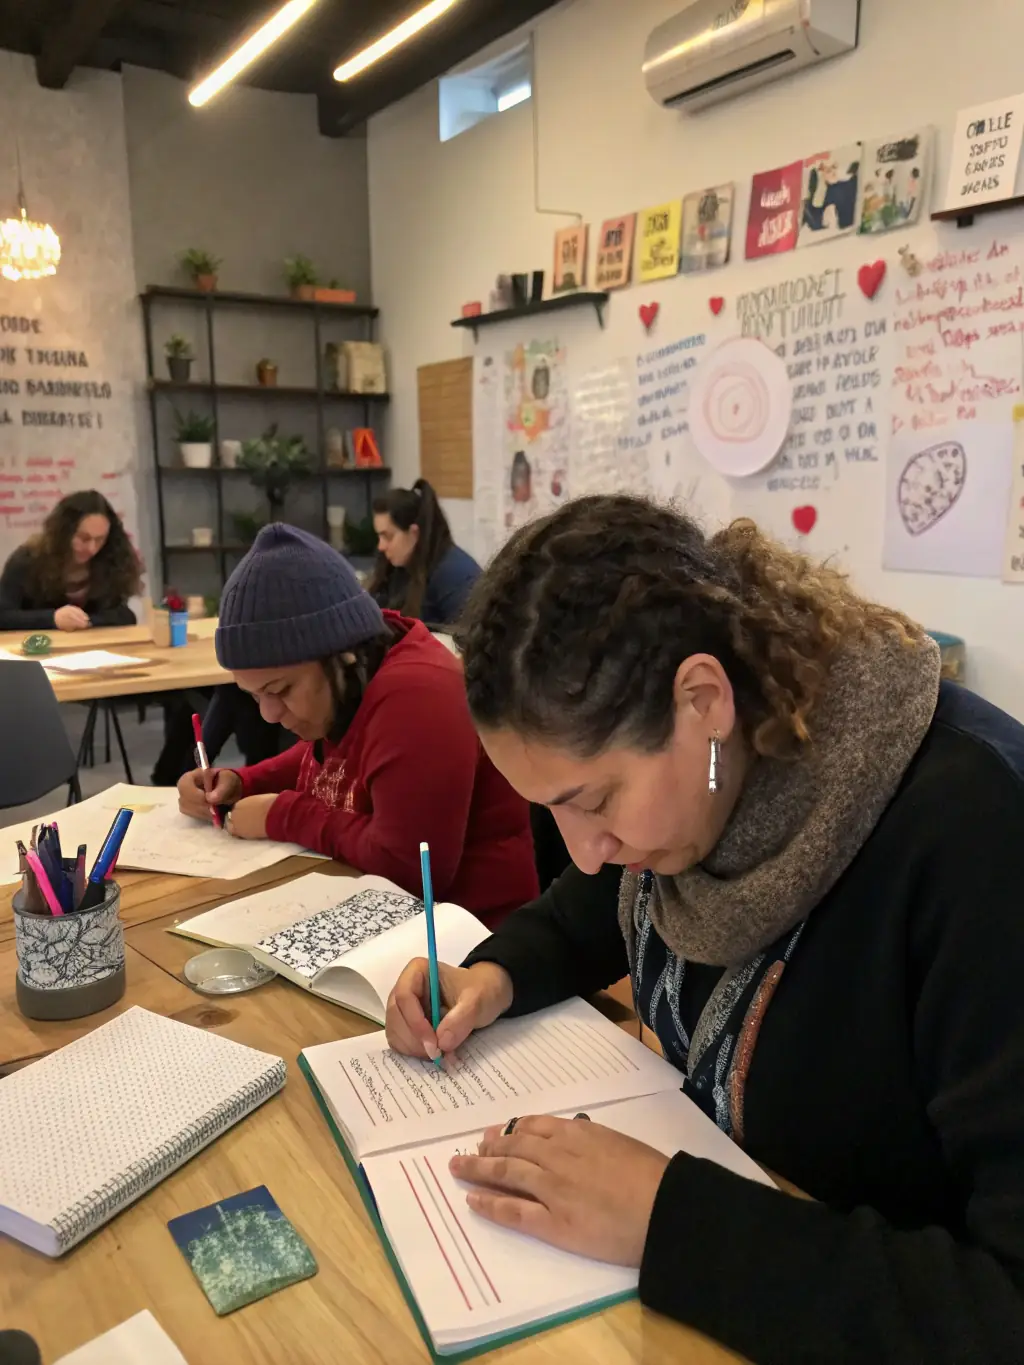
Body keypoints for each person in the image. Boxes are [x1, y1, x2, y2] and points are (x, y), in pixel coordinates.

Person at [385, 494, 1024, 1363]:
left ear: (703, 699)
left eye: (596, 800)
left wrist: (668, 1220)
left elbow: (1004, 1305)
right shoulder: (708, 791)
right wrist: (491, 974)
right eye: (551, 812)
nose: (589, 851)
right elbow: (594, 910)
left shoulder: (977, 840)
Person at [177, 523, 537, 927]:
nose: (269, 714)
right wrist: (243, 781)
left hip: (468, 943)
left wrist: (285, 814)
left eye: (280, 689)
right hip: (381, 918)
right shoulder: (356, 676)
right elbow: (337, 760)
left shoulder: (418, 695)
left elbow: (411, 871)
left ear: (342, 656)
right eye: (254, 695)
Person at [0, 490, 140, 632]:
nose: (92, 549)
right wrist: (52, 619)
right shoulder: (27, 560)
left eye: (100, 539)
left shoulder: (110, 560)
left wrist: (85, 621)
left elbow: (124, 616)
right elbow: (4, 616)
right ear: (63, 533)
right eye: (83, 538)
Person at [369, 478, 480, 626]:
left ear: (414, 533)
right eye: (379, 536)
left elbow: (468, 640)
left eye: (388, 537)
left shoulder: (457, 575)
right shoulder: (395, 566)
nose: (381, 546)